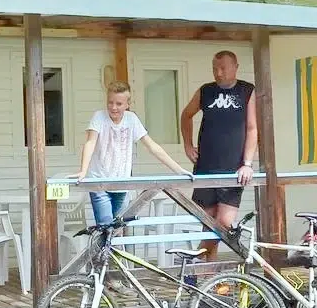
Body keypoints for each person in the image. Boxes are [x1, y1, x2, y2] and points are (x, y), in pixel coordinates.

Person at [73, 81, 193, 225]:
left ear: (127, 104)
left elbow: (152, 146)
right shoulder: (99, 117)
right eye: (110, 102)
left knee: (118, 228)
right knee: (105, 226)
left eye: (118, 104)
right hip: (99, 181)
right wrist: (83, 171)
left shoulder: (131, 119)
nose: (113, 107)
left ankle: (113, 247)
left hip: (122, 183)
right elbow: (90, 143)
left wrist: (178, 170)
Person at [178, 51, 257, 260]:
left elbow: (252, 129)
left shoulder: (247, 91)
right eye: (215, 68)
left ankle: (193, 258)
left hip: (233, 169)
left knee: (223, 223)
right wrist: (188, 145)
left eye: (223, 68)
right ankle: (209, 275)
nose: (218, 73)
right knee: (209, 222)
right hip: (206, 166)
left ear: (235, 67)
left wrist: (247, 163)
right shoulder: (206, 91)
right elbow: (186, 115)